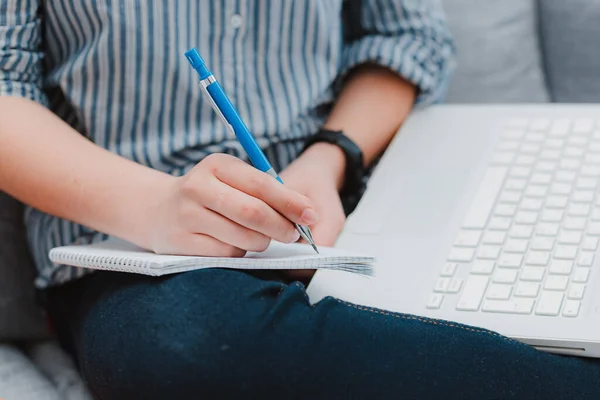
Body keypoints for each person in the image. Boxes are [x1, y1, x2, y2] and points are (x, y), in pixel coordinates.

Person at [1, 0, 599, 398]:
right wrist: (159, 207)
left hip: (340, 191)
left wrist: (329, 156)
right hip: (135, 241)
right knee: (184, 347)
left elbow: (405, 38)